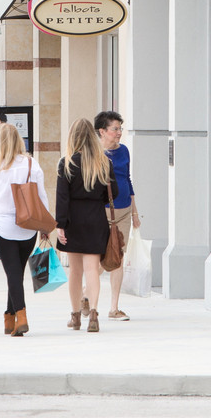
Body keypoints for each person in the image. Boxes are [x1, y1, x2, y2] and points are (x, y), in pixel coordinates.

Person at [0, 122, 50, 337]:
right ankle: (9, 318)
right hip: (28, 227)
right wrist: (45, 226)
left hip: (3, 227)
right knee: (16, 272)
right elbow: (42, 196)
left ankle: (21, 315)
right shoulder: (30, 164)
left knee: (12, 273)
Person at [55, 117, 112, 333]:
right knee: (92, 271)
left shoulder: (67, 162)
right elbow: (113, 193)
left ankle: (76, 315)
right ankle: (95, 314)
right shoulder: (104, 162)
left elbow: (62, 197)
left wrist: (60, 224)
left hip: (73, 221)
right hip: (96, 218)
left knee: (75, 272)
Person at [95, 110, 140, 321]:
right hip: (101, 211)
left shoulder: (124, 152)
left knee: (117, 258)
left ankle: (114, 307)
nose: (119, 133)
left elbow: (128, 180)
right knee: (99, 259)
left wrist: (135, 211)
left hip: (123, 211)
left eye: (120, 129)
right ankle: (87, 295)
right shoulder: (93, 154)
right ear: (102, 131)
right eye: (115, 129)